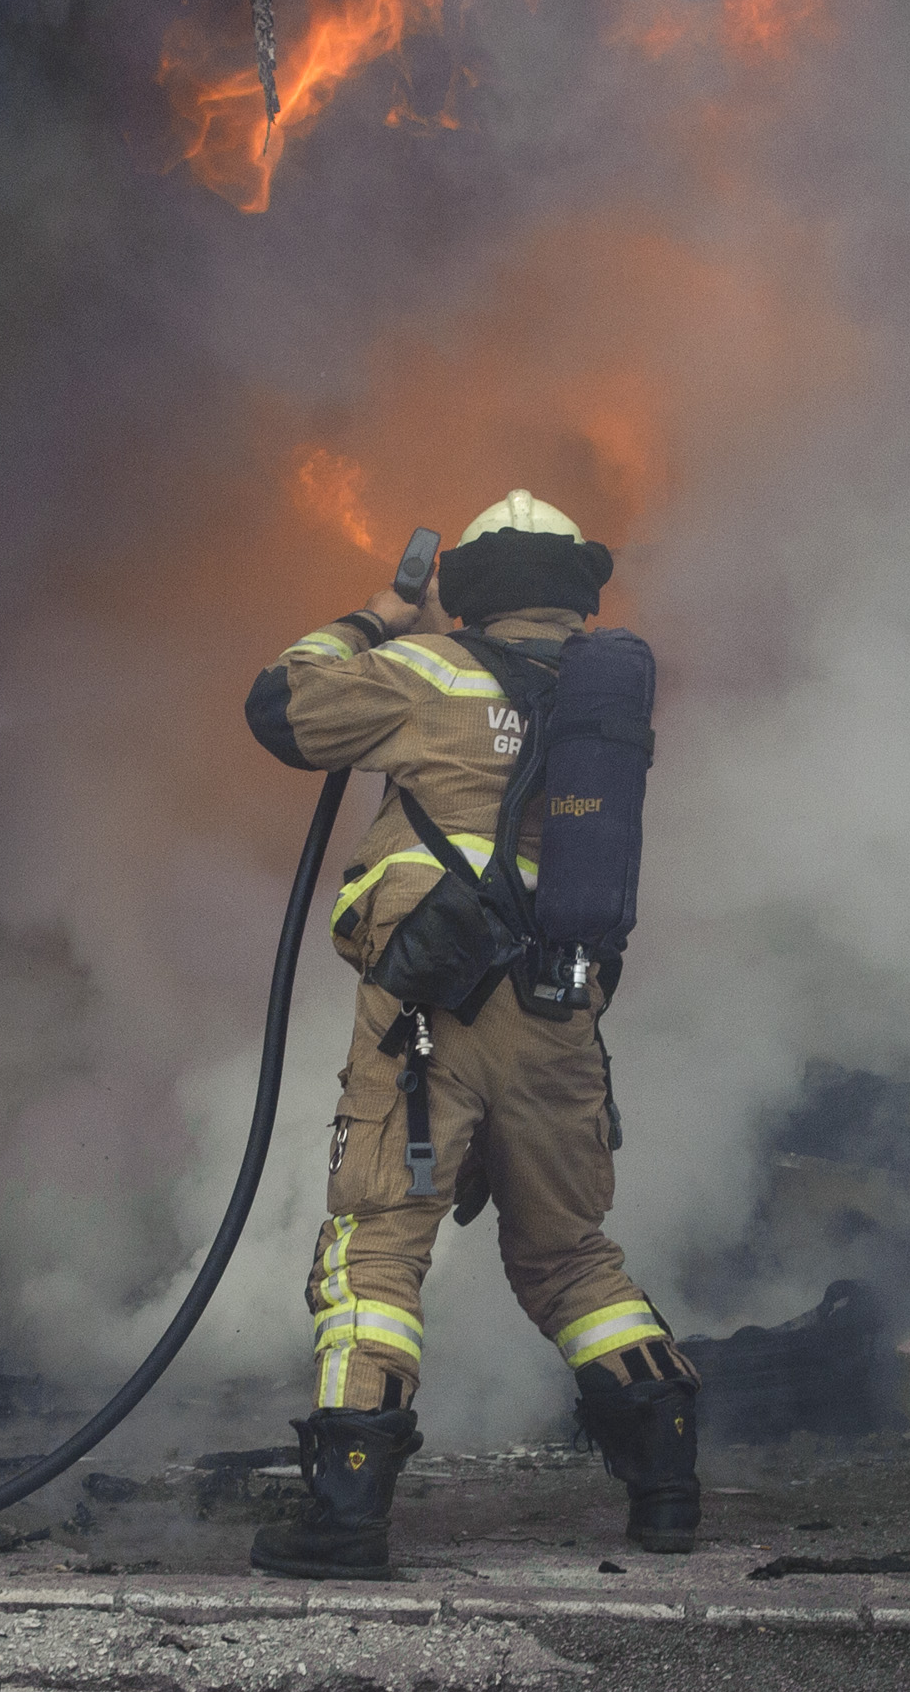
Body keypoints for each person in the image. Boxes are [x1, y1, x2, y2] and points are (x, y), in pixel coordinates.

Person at [239, 489, 699, 1580]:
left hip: (429, 1023)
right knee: (572, 1257)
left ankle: (346, 1515)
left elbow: (280, 707)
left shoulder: (431, 670)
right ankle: (669, 1484)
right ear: (572, 590)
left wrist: (373, 616)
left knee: (374, 1251)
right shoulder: (602, 700)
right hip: (561, 1016)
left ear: (473, 588)